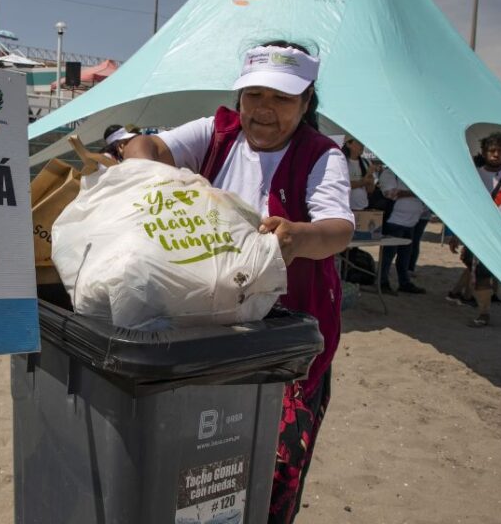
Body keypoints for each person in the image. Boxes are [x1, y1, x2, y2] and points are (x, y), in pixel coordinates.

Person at [122, 41, 354, 524]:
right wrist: (140, 167)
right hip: (214, 324)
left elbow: (338, 230)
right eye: (255, 96)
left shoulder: (321, 154)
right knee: (206, 455)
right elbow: (149, 146)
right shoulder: (218, 132)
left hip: (287, 333)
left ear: (307, 102)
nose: (264, 111)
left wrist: (296, 236)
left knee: (275, 462)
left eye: (283, 99)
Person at [447, 132, 501, 327]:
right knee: (481, 273)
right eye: (492, 150)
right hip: (481, 235)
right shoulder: (475, 176)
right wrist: (456, 234)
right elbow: (467, 207)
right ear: (484, 152)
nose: (496, 154)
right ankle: (484, 312)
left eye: (500, 150)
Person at [377, 168, 427, 295]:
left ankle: (404, 282)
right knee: (389, 254)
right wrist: (415, 192)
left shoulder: (413, 174)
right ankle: (382, 282)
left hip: (411, 221)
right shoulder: (390, 173)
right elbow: (390, 193)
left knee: (405, 255)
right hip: (395, 220)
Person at [341, 137, 378, 211]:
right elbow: (341, 184)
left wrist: (370, 178)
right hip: (344, 209)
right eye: (358, 143)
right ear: (348, 144)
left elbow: (370, 190)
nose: (362, 146)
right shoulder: (341, 162)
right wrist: (363, 182)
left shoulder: (366, 163)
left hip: (362, 208)